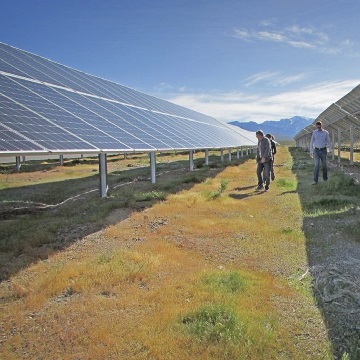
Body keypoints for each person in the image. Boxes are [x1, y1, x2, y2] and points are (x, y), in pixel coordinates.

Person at [309, 121, 332, 185]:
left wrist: (330, 150)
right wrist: (311, 151)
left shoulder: (325, 133)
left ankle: (325, 179)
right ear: (316, 126)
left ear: (321, 126)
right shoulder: (314, 133)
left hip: (323, 150)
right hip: (316, 150)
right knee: (316, 165)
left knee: (324, 165)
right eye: (317, 127)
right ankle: (315, 181)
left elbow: (329, 141)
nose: (319, 128)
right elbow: (311, 142)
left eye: (320, 127)